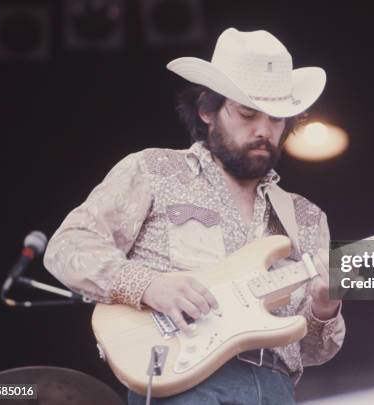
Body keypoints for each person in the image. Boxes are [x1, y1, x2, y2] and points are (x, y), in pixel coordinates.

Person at [44, 27, 345, 404]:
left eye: (276, 119)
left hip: (274, 389)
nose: (263, 131)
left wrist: (324, 306)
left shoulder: (306, 216)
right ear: (207, 110)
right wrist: (149, 285)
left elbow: (313, 352)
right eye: (247, 114)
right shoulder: (153, 170)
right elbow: (67, 247)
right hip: (182, 383)